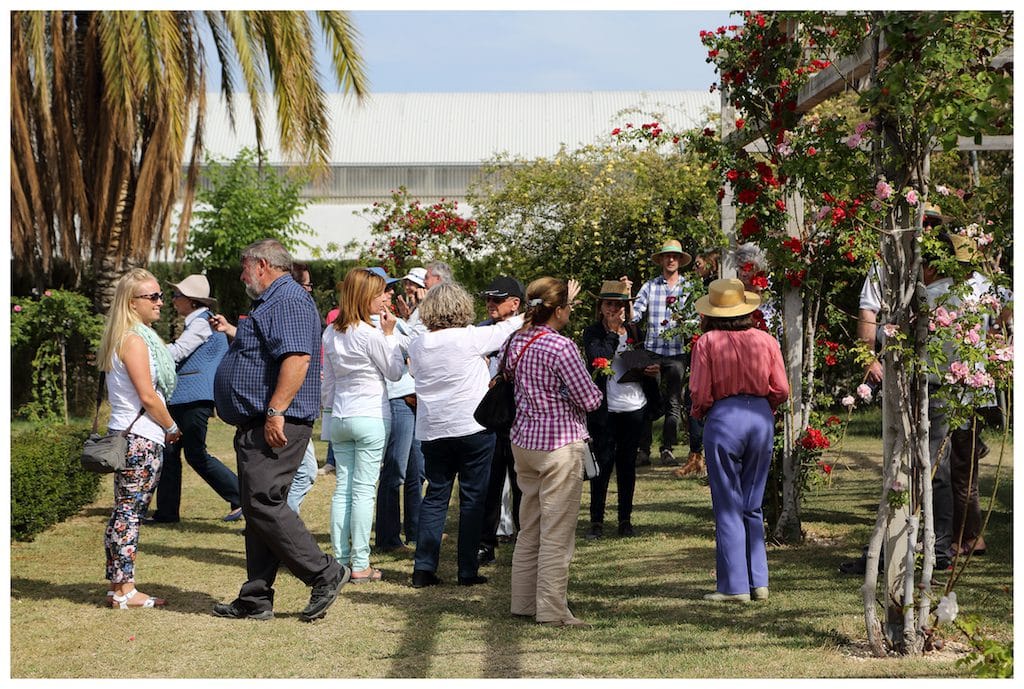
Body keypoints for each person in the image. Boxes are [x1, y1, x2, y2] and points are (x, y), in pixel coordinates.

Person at [210, 239, 349, 622]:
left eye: (244, 268)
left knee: (262, 503)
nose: (241, 277)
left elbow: (298, 359)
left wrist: (275, 412)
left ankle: (324, 572)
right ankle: (256, 598)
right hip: (259, 423)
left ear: (262, 265)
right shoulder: (273, 301)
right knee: (257, 510)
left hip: (275, 423)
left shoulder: (286, 299)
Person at [406, 282, 524, 588]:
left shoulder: (417, 344)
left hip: (433, 430)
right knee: (473, 500)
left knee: (435, 497)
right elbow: (513, 324)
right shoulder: (470, 337)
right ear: (462, 307)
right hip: (472, 427)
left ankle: (423, 567)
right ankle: (467, 570)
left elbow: (415, 375)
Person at [507, 277, 602, 627]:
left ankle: (523, 601)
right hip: (559, 444)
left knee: (529, 525)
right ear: (559, 310)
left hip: (523, 441)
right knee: (557, 533)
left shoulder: (515, 340)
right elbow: (590, 398)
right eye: (568, 307)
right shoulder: (561, 347)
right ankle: (551, 609)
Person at [689, 278, 790, 602]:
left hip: (725, 418)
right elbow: (782, 389)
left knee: (727, 502)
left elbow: (699, 393)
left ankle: (734, 586)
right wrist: (762, 406)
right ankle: (759, 581)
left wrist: (704, 412)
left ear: (713, 313)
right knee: (753, 501)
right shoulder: (766, 340)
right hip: (760, 417)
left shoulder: (707, 343)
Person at [96, 268, 182, 608]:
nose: (160, 302)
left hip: (132, 435)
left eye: (160, 295)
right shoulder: (133, 340)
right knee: (130, 513)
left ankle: (120, 586)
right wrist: (172, 427)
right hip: (140, 438)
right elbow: (148, 396)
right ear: (132, 304)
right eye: (153, 297)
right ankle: (125, 590)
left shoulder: (130, 337)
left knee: (126, 511)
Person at [322, 268, 407, 583]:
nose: (383, 299)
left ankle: (341, 561)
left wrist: (328, 419)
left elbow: (327, 383)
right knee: (362, 491)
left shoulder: (330, 332)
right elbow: (395, 372)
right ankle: (359, 563)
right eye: (379, 293)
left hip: (342, 415)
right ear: (364, 297)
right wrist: (389, 335)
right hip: (370, 413)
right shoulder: (370, 334)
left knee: (343, 489)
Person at [149, 274, 240, 524]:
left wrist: (145, 349)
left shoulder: (201, 323)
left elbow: (177, 353)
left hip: (192, 398)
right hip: (186, 398)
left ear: (191, 301)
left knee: (194, 454)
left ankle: (241, 496)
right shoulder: (200, 322)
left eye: (177, 296)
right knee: (171, 454)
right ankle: (167, 512)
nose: (172, 301)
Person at [582, 279, 658, 538]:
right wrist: (613, 333)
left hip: (634, 405)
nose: (614, 309)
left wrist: (649, 369)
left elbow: (638, 362)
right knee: (602, 464)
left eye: (619, 304)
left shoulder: (635, 332)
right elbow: (598, 359)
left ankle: (625, 519)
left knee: (627, 465)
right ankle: (596, 520)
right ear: (601, 307)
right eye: (609, 304)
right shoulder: (593, 333)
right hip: (605, 408)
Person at [631, 238, 696, 467]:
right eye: (667, 256)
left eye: (675, 256)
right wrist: (627, 296)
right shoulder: (650, 286)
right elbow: (635, 315)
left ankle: (667, 448)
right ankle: (644, 450)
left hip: (677, 352)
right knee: (648, 399)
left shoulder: (688, 287)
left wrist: (683, 320)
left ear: (679, 260)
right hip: (651, 351)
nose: (671, 259)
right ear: (661, 260)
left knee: (673, 401)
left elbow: (696, 319)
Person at [477, 275, 526, 567]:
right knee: (490, 482)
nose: (490, 304)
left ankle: (525, 539)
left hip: (521, 415)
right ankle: (485, 542)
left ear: (515, 303)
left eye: (497, 299)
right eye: (488, 299)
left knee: (523, 482)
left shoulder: (527, 331)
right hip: (490, 416)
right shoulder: (481, 332)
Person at [374, 273, 426, 555]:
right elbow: (396, 358)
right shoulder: (375, 324)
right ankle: (388, 538)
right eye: (386, 290)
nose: (392, 295)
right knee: (395, 471)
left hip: (412, 400)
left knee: (417, 471)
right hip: (398, 400)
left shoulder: (392, 321)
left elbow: (416, 342)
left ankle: (416, 530)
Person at [287, 263, 321, 514]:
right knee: (305, 472)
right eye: (308, 285)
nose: (310, 290)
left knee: (296, 474)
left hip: (290, 409)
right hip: (291, 410)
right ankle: (281, 531)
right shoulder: (297, 312)